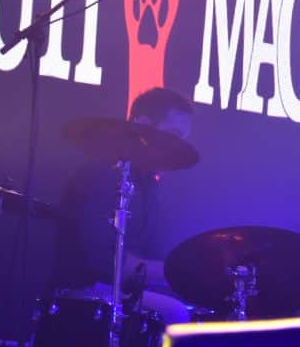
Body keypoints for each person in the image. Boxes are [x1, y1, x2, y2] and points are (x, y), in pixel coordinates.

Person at [49, 86, 194, 324]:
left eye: (183, 139)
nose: (179, 147)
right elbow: (104, 262)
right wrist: (175, 272)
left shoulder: (148, 184)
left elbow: (148, 257)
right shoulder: (104, 174)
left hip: (120, 291)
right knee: (175, 313)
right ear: (143, 125)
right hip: (85, 292)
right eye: (174, 135)